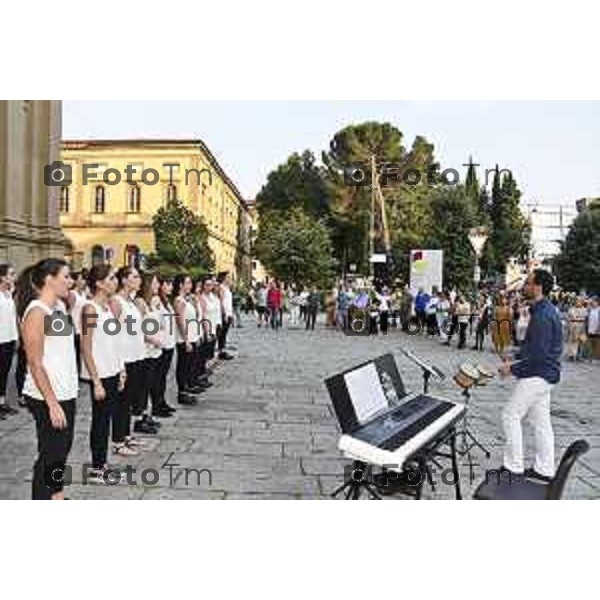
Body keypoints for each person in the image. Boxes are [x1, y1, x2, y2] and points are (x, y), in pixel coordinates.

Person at [18, 258, 78, 500]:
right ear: (49, 279)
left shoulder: (58, 309)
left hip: (66, 391)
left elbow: (62, 349)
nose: (71, 282)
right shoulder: (36, 313)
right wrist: (52, 403)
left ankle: (57, 495)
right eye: (66, 276)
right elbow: (35, 362)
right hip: (46, 396)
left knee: (61, 451)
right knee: (50, 455)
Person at [498, 269, 563, 482]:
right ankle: (545, 469)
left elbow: (539, 355)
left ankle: (513, 466)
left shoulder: (543, 315)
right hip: (546, 374)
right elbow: (534, 346)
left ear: (538, 287)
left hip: (539, 374)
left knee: (510, 414)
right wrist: (515, 352)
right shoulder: (543, 310)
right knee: (540, 422)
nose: (524, 286)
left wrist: (512, 369)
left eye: (527, 282)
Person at [80, 265, 126, 483]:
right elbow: (86, 346)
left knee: (106, 419)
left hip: (113, 370)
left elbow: (114, 342)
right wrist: (96, 381)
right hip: (100, 373)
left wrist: (122, 368)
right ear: (98, 283)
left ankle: (103, 462)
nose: (115, 281)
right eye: (111, 278)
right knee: (100, 420)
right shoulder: (89, 309)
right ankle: (97, 468)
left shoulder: (108, 308)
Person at [110, 266, 152, 451]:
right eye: (135, 277)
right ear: (124, 280)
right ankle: (118, 441)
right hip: (125, 358)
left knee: (129, 399)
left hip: (137, 355)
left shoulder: (132, 301)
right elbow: (113, 335)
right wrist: (119, 365)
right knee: (121, 401)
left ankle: (126, 435)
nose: (139, 280)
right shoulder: (116, 302)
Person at [172, 274, 202, 406]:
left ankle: (187, 390)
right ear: (180, 285)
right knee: (183, 366)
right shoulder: (179, 301)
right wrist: (186, 340)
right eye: (187, 283)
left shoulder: (187, 300)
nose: (190, 286)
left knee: (189, 365)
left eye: (190, 283)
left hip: (192, 336)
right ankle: (182, 393)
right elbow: (180, 322)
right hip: (184, 339)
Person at [152, 276, 177, 416]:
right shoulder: (156, 300)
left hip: (169, 342)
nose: (170, 287)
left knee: (163, 376)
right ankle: (157, 404)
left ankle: (162, 402)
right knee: (158, 377)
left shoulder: (166, 301)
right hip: (161, 344)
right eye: (168, 283)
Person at [0, 263, 18, 419]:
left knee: (5, 373)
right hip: (0, 339)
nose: (14, 277)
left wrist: (16, 337)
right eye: (11, 274)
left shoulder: (9, 293)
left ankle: (2, 402)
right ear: (2, 277)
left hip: (10, 338)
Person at [67, 269, 88, 378]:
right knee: (75, 354)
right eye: (82, 279)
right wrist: (72, 328)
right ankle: (75, 375)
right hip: (75, 328)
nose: (84, 281)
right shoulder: (72, 294)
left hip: (83, 327)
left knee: (82, 352)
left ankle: (80, 373)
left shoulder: (84, 294)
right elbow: (68, 312)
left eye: (85, 279)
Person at [217, 272, 235, 359]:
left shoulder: (227, 288)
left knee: (224, 333)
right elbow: (221, 302)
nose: (229, 279)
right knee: (222, 333)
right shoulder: (221, 288)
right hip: (225, 314)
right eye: (228, 277)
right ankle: (221, 351)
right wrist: (224, 314)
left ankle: (222, 350)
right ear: (224, 278)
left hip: (229, 313)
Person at [491, 294, 512, 358]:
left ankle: (501, 349)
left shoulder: (508, 308)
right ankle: (496, 348)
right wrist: (493, 323)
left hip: (504, 324)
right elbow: (494, 316)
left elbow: (510, 317)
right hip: (497, 323)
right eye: (502, 300)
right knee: (496, 336)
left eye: (505, 300)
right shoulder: (497, 308)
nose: (503, 301)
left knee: (503, 336)